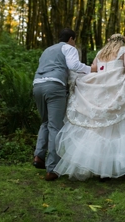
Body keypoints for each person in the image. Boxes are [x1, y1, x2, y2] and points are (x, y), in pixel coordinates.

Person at [54, 34, 125, 180]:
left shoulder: (101, 53)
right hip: (118, 91)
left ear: (109, 41)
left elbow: (94, 69)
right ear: (122, 41)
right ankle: (122, 167)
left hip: (99, 92)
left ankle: (101, 168)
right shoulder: (124, 51)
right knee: (122, 129)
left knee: (99, 129)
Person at [33, 28, 91, 181]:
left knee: (44, 122)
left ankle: (38, 156)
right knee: (55, 126)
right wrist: (91, 69)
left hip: (37, 86)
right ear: (71, 38)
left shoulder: (47, 50)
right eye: (75, 40)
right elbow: (74, 65)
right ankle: (52, 169)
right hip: (54, 86)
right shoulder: (69, 48)